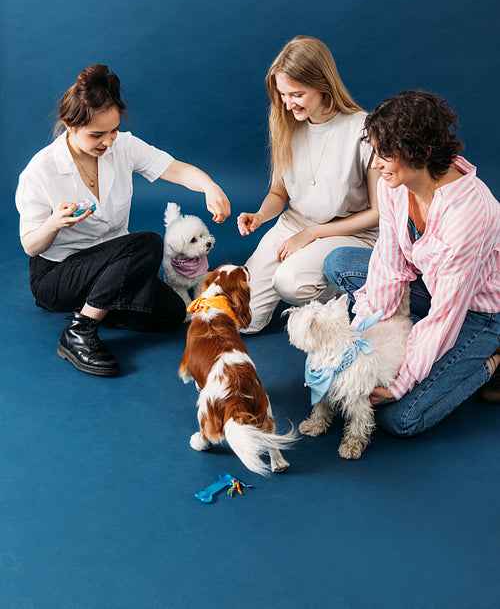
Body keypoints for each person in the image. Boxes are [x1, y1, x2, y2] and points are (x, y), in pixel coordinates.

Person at [15, 64, 231, 377]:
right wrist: (54, 224)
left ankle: (92, 304)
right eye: (96, 135)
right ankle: (80, 330)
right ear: (68, 126)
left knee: (171, 314)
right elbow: (30, 247)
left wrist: (210, 186)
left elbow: (178, 170)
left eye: (114, 130)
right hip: (58, 273)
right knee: (149, 243)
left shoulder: (124, 146)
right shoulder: (40, 170)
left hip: (115, 267)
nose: (108, 142)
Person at [323, 89, 500, 437]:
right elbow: (388, 267)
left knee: (400, 418)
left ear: (422, 152)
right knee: (340, 261)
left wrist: (399, 382)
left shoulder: (469, 214)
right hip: (433, 289)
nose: (375, 164)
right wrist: (360, 341)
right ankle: (416, 338)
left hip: (480, 311)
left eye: (385, 154)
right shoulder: (395, 186)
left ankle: (491, 361)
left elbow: (446, 314)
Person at [237, 35, 380, 333]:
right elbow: (279, 192)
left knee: (289, 282)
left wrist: (312, 234)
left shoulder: (363, 129)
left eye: (296, 94)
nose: (288, 103)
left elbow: (378, 213)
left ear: (323, 84)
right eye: (282, 94)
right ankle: (312, 270)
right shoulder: (285, 124)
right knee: (240, 315)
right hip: (296, 223)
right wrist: (261, 216)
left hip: (352, 230)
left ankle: (345, 288)